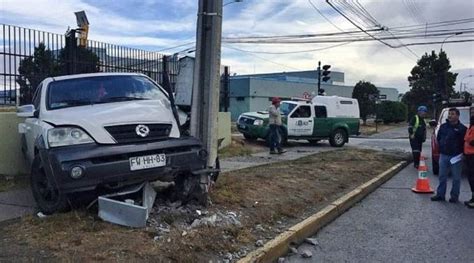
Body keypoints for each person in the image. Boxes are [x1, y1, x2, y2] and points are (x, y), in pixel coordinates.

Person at [431, 108, 468, 203]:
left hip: (456, 157)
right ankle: (440, 195)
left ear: (457, 116)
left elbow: (465, 143)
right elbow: (439, 138)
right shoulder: (443, 127)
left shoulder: (462, 129)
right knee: (442, 176)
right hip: (443, 155)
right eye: (449, 114)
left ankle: (454, 197)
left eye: (452, 114)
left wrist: (463, 154)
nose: (450, 116)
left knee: (456, 178)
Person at [464, 109, 474, 208]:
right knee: (471, 177)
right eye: (471, 112)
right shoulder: (470, 126)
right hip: (468, 155)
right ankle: (473, 198)